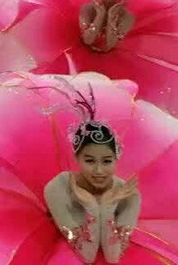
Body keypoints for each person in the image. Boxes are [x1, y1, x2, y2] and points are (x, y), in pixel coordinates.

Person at [44, 89, 140, 264]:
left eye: (107, 161)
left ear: (116, 159)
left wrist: (107, 206)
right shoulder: (59, 188)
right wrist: (90, 206)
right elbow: (86, 256)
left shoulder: (128, 195)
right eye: (89, 161)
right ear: (77, 158)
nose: (99, 171)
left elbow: (113, 257)